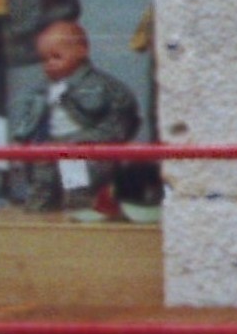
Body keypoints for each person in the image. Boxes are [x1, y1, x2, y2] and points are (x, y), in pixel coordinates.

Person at [7, 19, 140, 214]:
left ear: (81, 51)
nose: (49, 64)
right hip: (50, 147)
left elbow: (118, 125)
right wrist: (20, 138)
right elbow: (29, 118)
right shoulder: (42, 90)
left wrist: (81, 142)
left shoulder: (106, 88)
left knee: (78, 190)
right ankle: (42, 210)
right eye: (44, 59)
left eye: (56, 57)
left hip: (86, 150)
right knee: (42, 183)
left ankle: (80, 208)